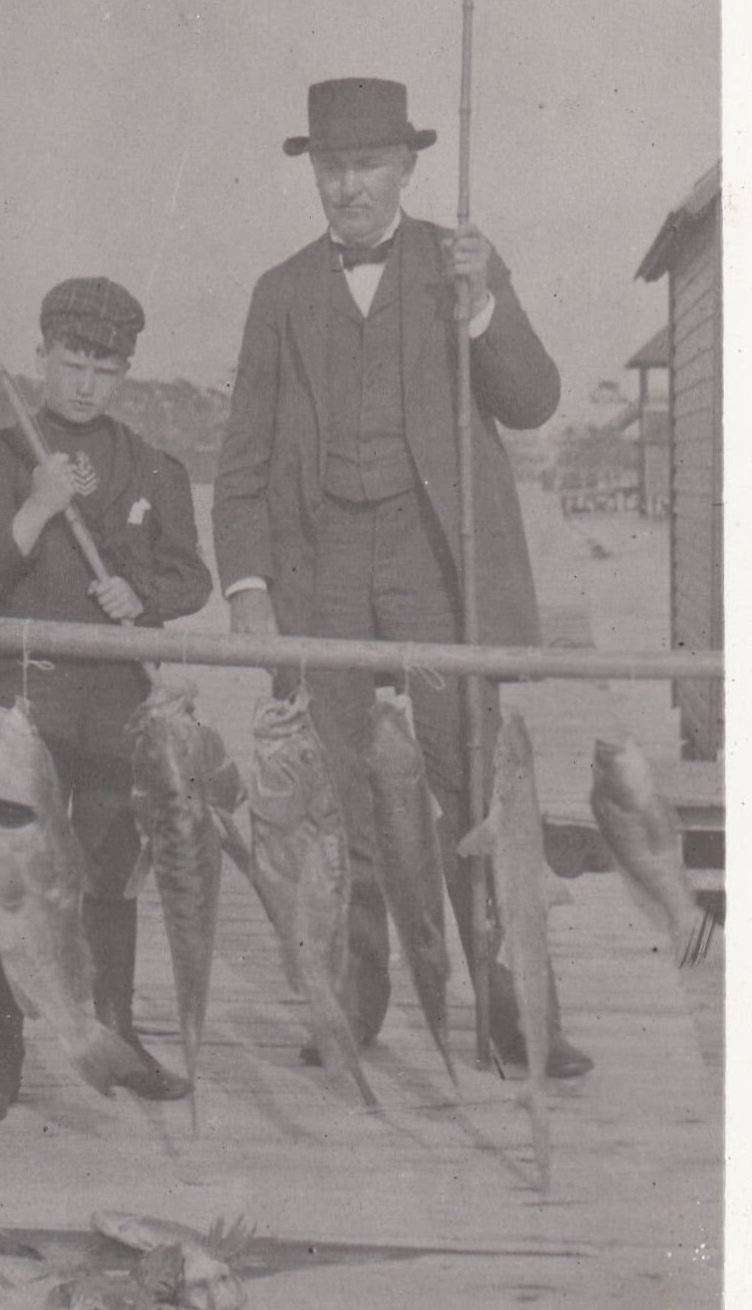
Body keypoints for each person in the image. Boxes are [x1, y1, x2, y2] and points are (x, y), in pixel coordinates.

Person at [213, 77, 592, 1078]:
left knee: (470, 776)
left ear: (409, 167)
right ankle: (356, 997)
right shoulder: (279, 293)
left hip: (436, 562)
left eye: (369, 165)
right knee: (336, 792)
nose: (350, 187)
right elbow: (243, 458)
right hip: (323, 565)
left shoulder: (458, 266)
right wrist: (248, 588)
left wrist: (483, 309)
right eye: (333, 168)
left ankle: (516, 1013)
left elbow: (535, 399)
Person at [0, 276, 213, 1118]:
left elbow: (192, 576)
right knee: (15, 875)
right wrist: (37, 507)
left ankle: (118, 1032)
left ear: (124, 373)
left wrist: (144, 595)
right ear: (41, 357)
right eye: (72, 363)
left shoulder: (153, 467)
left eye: (104, 369)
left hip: (117, 703)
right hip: (31, 699)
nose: (85, 384)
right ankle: (5, 1052)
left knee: (111, 869)